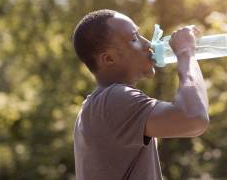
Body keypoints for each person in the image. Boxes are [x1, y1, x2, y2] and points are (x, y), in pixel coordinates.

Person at [72, 9, 209, 180]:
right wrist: (185, 53)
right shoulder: (114, 99)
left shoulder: (95, 107)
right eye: (134, 38)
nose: (147, 44)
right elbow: (194, 119)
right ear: (108, 59)